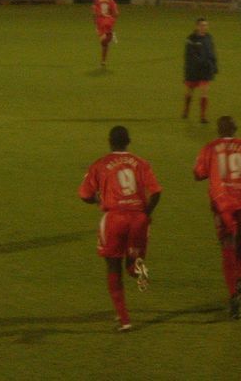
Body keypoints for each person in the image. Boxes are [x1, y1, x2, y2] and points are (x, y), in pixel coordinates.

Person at [79, 126, 162, 332]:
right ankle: (138, 269)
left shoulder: (100, 164)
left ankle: (124, 320)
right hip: (138, 219)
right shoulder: (141, 163)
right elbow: (157, 192)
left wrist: (98, 198)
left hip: (114, 218)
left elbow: (84, 195)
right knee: (131, 265)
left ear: (109, 141)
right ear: (129, 141)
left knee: (113, 266)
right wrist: (146, 213)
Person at [194, 116, 241, 319]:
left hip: (223, 203)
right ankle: (240, 277)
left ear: (218, 130)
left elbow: (198, 174)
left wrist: (216, 174)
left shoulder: (210, 148)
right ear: (235, 129)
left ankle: (233, 294)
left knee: (227, 244)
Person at [184, 17, 218, 123]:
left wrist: (215, 65)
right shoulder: (191, 39)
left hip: (206, 70)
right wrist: (196, 64)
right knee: (190, 92)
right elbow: (190, 55)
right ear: (197, 26)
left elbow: (212, 52)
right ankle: (186, 110)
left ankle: (203, 116)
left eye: (206, 25)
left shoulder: (208, 37)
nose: (204, 27)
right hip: (193, 70)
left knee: (204, 92)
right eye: (202, 25)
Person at [92, 0, 119, 67]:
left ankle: (110, 34)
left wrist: (95, 24)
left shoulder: (96, 0)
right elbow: (116, 13)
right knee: (104, 43)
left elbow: (94, 12)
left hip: (100, 21)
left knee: (103, 43)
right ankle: (103, 61)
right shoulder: (111, 0)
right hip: (108, 21)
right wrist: (112, 19)